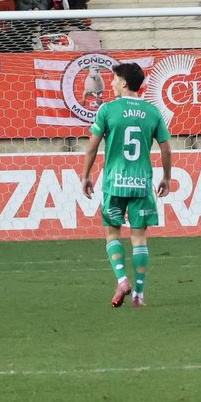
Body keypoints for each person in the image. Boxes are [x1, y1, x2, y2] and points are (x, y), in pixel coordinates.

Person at [78, 61, 171, 308]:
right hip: (142, 183)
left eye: (114, 79)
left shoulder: (108, 110)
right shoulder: (153, 112)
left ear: (124, 83)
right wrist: (167, 177)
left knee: (112, 233)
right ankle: (139, 295)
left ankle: (122, 280)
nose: (110, 83)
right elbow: (165, 147)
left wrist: (86, 175)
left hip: (114, 183)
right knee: (139, 238)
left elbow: (92, 146)